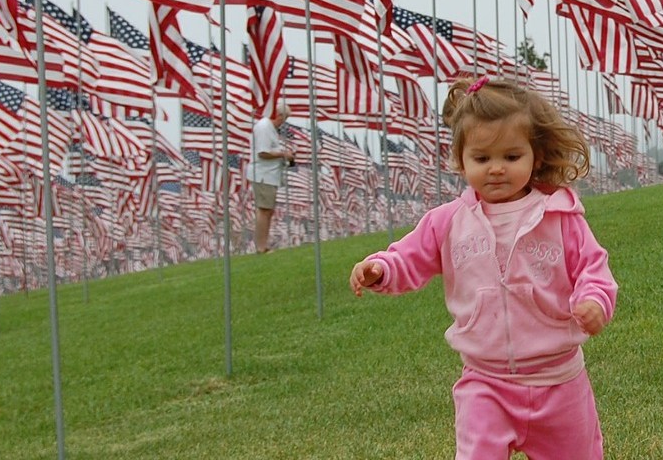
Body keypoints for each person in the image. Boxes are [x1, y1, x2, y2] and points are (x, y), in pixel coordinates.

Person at [350, 75, 618, 460]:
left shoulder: (560, 215)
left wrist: (594, 299)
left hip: (560, 382)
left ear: (535, 157)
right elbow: (409, 256)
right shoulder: (448, 222)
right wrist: (381, 268)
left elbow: (593, 267)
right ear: (460, 160)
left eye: (511, 157)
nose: (496, 169)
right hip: (485, 383)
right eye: (482, 158)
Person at [249, 102, 293, 253]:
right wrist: (283, 154)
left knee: (268, 210)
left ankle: (263, 245)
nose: (284, 122)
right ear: (279, 115)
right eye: (284, 118)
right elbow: (263, 152)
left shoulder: (270, 129)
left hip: (270, 176)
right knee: (263, 210)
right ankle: (260, 247)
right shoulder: (264, 126)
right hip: (263, 175)